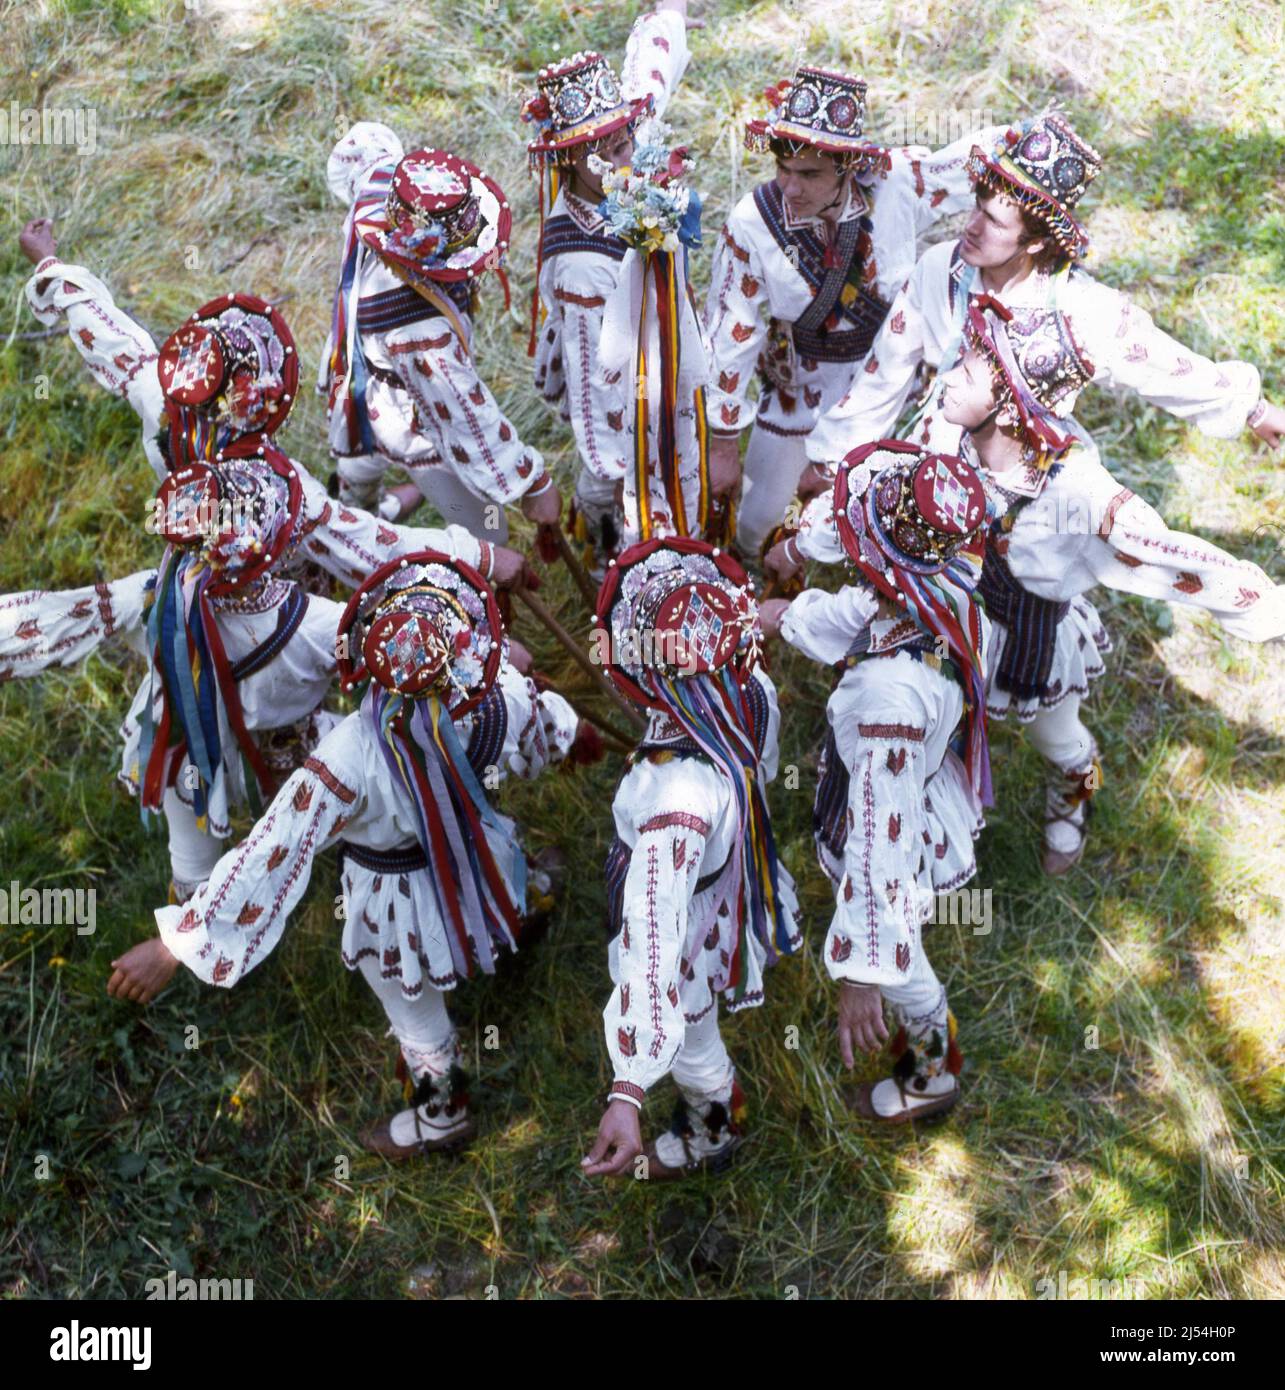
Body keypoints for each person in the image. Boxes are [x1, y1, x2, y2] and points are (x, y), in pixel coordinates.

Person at [111, 551, 590, 1156]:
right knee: (501, 877)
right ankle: (516, 916)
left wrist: (173, 944)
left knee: (410, 1000)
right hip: (478, 847)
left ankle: (443, 1115)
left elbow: (272, 850)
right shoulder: (497, 699)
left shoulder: (347, 754)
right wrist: (578, 738)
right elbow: (545, 731)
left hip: (395, 901)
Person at [930, 296, 1285, 871]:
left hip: (1029, 641)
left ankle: (1080, 791)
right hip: (955, 620)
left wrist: (1271, 611)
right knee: (938, 719)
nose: (946, 380)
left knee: (1061, 744)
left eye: (965, 373)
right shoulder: (955, 434)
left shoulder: (1078, 497)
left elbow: (1174, 560)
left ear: (1012, 407)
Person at [17, 220, 535, 591]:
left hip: (196, 537)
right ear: (264, 404)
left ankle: (395, 496)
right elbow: (372, 547)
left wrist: (48, 262)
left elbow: (107, 334)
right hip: (259, 578)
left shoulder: (164, 397)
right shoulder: (281, 489)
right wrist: (484, 555)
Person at [802, 112, 1285, 472]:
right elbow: (884, 372)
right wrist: (829, 458)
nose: (970, 228)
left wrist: (1253, 410)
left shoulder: (1084, 311)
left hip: (1027, 482)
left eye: (993, 222)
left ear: (1035, 241)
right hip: (937, 458)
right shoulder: (940, 269)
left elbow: (1162, 363)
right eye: (977, 208)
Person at [760, 441, 991, 1122]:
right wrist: (777, 617)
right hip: (913, 772)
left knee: (903, 954)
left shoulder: (884, 702)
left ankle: (932, 1069)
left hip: (898, 813)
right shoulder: (944, 583)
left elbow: (880, 844)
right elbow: (865, 619)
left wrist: (863, 971)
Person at [704, 66, 1006, 554]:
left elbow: (972, 162)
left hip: (883, 382)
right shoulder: (752, 223)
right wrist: (722, 443)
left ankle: (853, 581)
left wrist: (1036, 147)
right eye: (783, 169)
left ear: (847, 166)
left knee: (882, 513)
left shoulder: (896, 184)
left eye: (809, 174)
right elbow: (729, 334)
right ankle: (776, 573)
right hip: (799, 387)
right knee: (760, 521)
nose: (790, 187)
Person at [581, 538, 800, 1178]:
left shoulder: (669, 796)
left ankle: (715, 1129)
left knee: (693, 1039)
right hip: (730, 868)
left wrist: (628, 1089)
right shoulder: (752, 689)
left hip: (689, 922)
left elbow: (654, 926)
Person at [321, 127, 559, 539]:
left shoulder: (383, 200)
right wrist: (532, 482)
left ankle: (357, 512)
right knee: (486, 531)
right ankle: (367, 540)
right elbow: (465, 409)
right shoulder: (421, 332)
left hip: (359, 367)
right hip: (409, 417)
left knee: (360, 459)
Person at [523, 0, 694, 565]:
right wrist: (613, 459)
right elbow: (595, 378)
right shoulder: (580, 269)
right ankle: (611, 553)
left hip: (656, 331)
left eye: (626, 138)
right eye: (613, 149)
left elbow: (653, 70)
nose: (631, 152)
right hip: (617, 370)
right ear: (573, 161)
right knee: (617, 480)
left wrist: (667, 16)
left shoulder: (624, 155)